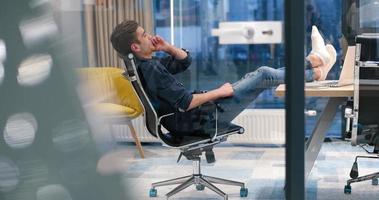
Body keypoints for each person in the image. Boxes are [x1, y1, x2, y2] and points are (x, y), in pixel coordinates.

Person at [110, 20, 336, 137]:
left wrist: (168, 48)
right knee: (264, 74)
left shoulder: (145, 65)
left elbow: (185, 61)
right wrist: (219, 92)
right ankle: (314, 62)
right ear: (135, 46)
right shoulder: (150, 70)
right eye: (144, 35)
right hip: (200, 120)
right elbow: (185, 102)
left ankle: (315, 70)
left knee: (257, 76)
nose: (150, 36)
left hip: (193, 117)